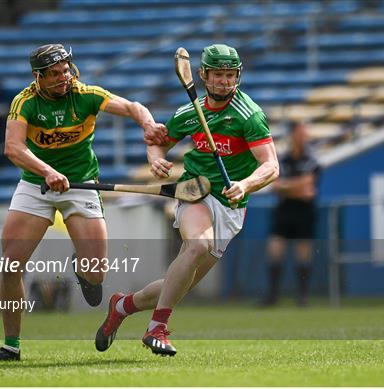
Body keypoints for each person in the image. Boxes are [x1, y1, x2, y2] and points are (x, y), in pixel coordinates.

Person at [94, 43, 279, 356]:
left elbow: (271, 166)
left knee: (178, 284)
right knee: (195, 246)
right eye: (218, 74)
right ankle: (158, 328)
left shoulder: (249, 115)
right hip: (196, 191)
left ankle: (122, 306)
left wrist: (245, 185)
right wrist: (155, 159)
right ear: (204, 75)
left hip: (231, 205)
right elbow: (157, 141)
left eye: (230, 74)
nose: (224, 80)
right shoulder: (190, 113)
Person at [0, 43, 167, 361]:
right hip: (36, 185)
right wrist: (47, 171)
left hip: (82, 185)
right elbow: (13, 148)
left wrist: (148, 124)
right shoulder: (24, 102)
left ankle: (82, 269)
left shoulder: (86, 95)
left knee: (96, 273)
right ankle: (11, 345)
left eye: (66, 70)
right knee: (11, 264)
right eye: (54, 74)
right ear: (38, 77)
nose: (63, 78)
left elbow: (132, 107)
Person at [260, 121, 320, 307]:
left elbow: (309, 188)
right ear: (293, 135)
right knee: (275, 251)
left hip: (304, 211)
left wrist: (286, 187)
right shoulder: (283, 160)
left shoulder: (311, 160)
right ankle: (273, 296)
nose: (304, 136)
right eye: (301, 132)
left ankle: (302, 297)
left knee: (303, 254)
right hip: (285, 210)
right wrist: (296, 187)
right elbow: (276, 186)